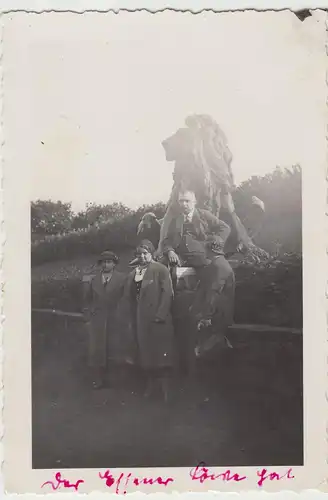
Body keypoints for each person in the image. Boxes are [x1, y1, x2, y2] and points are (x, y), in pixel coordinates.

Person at [162, 189, 235, 327]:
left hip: (207, 255)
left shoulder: (203, 215)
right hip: (184, 258)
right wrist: (170, 251)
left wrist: (217, 240)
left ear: (194, 202)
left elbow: (225, 228)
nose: (184, 204)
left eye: (187, 201)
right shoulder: (175, 220)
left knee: (223, 270)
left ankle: (212, 316)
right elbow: (167, 241)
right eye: (181, 201)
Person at [118, 240, 175, 402]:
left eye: (145, 253)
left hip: (158, 319)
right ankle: (150, 386)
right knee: (146, 354)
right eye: (139, 254)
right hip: (140, 319)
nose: (142, 256)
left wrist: (161, 314)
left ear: (151, 253)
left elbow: (168, 293)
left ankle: (166, 390)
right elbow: (128, 298)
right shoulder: (133, 273)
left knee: (161, 354)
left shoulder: (160, 269)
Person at [83, 250, 126, 389]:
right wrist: (89, 316)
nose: (106, 265)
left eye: (109, 262)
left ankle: (115, 379)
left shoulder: (122, 278)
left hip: (115, 317)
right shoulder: (94, 280)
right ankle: (98, 379)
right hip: (98, 319)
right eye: (104, 262)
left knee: (114, 348)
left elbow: (126, 299)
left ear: (114, 264)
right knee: (98, 350)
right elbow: (87, 300)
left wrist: (122, 314)